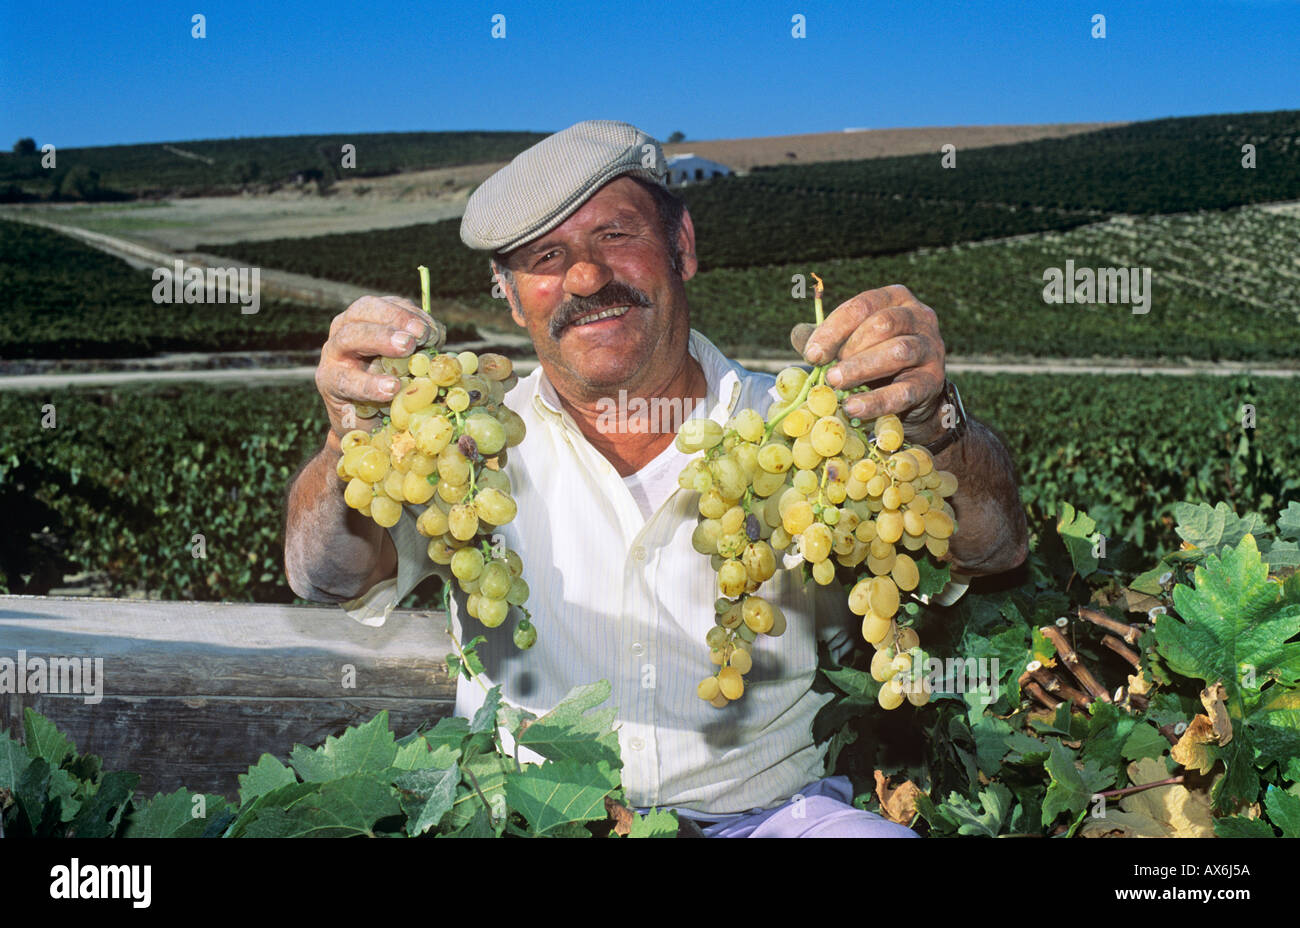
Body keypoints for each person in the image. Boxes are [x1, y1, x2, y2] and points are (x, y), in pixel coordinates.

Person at [285, 120, 1028, 837]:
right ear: (510, 297)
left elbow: (994, 550)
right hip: (535, 823)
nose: (586, 275)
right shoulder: (459, 444)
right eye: (544, 258)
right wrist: (347, 437)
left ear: (683, 246)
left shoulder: (804, 431)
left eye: (615, 235)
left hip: (771, 820)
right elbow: (325, 577)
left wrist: (934, 423)